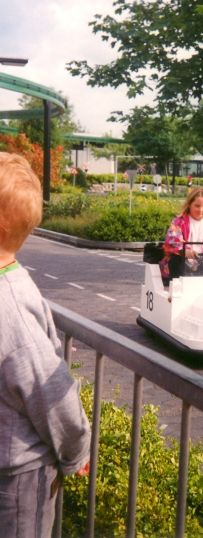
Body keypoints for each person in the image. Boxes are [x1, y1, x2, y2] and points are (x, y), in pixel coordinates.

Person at [0, 153, 91, 538]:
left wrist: (74, 448)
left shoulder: (11, 308)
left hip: (18, 484)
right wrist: (77, 451)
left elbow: (51, 392)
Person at [160, 187, 203, 284]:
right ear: (189, 204)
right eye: (197, 206)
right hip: (183, 264)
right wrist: (185, 251)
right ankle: (177, 288)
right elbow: (172, 240)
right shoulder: (180, 221)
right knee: (175, 260)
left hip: (202, 264)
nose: (201, 210)